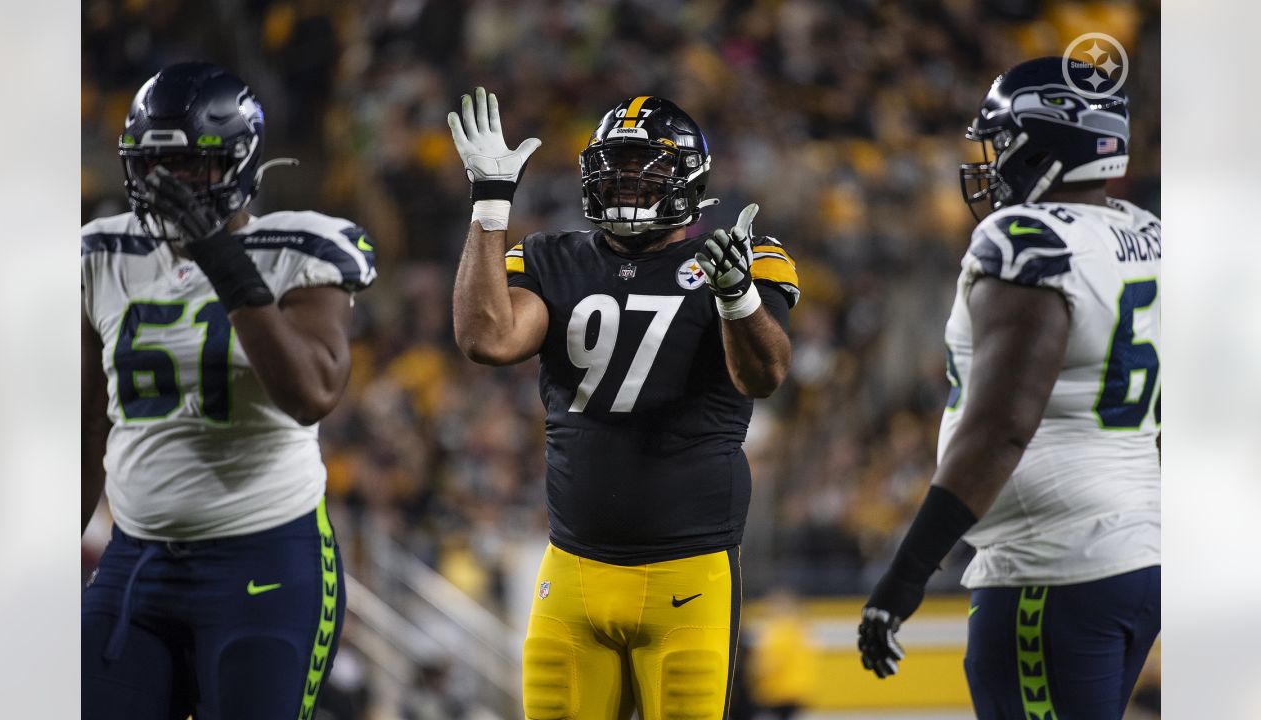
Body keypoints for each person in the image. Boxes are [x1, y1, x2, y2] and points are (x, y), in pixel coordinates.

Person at [448, 88, 799, 719]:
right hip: (573, 573)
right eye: (617, 170)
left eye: (647, 172)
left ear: (689, 179)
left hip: (687, 579)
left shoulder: (737, 259)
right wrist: (490, 205)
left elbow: (764, 375)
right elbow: (487, 338)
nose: (629, 186)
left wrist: (737, 296)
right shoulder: (555, 258)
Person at [858, 57, 1160, 719]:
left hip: (1051, 568)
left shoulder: (1027, 239)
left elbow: (1002, 428)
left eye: (1003, 141)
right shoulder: (1146, 233)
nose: (993, 162)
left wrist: (904, 576)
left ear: (1046, 141)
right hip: (1135, 554)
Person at [81, 62, 376, 720]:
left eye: (192, 165)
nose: (172, 184)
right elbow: (83, 428)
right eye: (157, 166)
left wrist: (219, 254)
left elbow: (311, 393)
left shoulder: (299, 247)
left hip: (265, 559)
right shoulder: (99, 256)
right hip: (134, 563)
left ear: (240, 163)